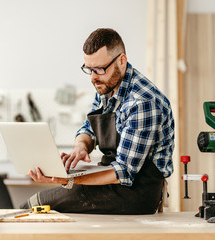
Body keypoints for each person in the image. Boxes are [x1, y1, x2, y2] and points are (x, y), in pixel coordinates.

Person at [20, 28, 174, 214]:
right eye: (89, 69)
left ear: (122, 61)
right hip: (110, 179)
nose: (93, 77)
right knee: (35, 206)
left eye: (99, 69)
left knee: (33, 206)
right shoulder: (107, 83)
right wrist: (81, 146)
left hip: (136, 192)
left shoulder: (143, 102)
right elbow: (89, 128)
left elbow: (124, 171)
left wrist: (68, 180)